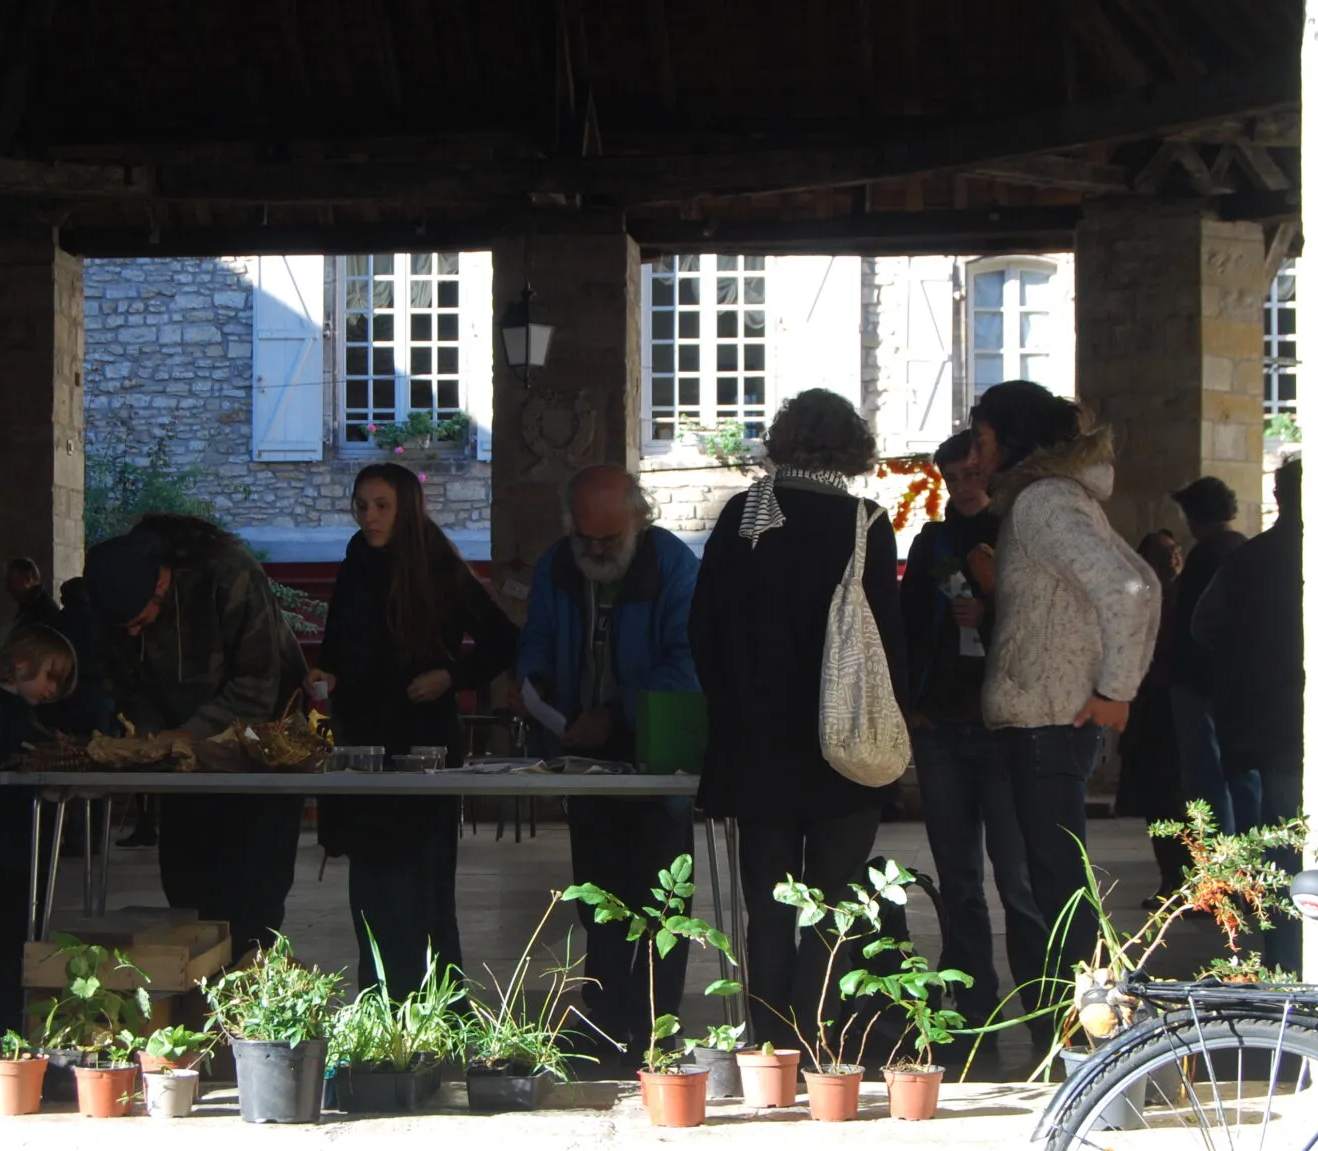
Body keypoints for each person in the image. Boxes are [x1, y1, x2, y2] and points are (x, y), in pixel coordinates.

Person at [692, 389, 911, 1052]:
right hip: (840, 746)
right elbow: (889, 647)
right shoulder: (864, 523)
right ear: (850, 448)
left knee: (767, 906)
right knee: (834, 903)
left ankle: (769, 1044)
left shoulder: (744, 517)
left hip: (758, 749)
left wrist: (735, 711)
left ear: (784, 441)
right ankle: (822, 1041)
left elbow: (703, 629)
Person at [967, 381, 1159, 1011]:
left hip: (1048, 722)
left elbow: (1131, 588)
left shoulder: (1045, 501)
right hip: (1045, 718)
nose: (975, 456)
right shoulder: (1051, 497)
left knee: (1057, 894)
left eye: (985, 439)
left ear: (1013, 437)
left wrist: (1115, 690)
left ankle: (1083, 1041)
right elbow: (1140, 582)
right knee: (1048, 889)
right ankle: (1074, 1038)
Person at [311, 464, 518, 997]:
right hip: (363, 740)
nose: (368, 516)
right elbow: (338, 644)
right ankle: (378, 998)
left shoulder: (437, 565)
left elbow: (500, 639)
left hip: (422, 739)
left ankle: (438, 1003)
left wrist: (452, 675)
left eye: (380, 505)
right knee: (371, 878)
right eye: (360, 505)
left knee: (424, 880)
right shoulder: (356, 561)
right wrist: (325, 675)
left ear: (404, 506)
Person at [517, 464, 699, 1064]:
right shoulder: (557, 565)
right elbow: (538, 642)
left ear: (638, 522)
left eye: (608, 540)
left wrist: (617, 714)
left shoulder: (673, 567)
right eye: (585, 539)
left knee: (661, 903)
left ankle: (657, 1032)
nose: (595, 552)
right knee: (597, 898)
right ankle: (606, 1026)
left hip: (656, 757)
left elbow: (687, 660)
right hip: (584, 758)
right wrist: (541, 690)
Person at [85, 514, 309, 956]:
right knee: (189, 896)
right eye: (124, 628)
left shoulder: (230, 574)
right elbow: (128, 684)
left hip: (260, 754)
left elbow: (258, 684)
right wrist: (147, 739)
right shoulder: (116, 596)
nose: (133, 632)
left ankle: (249, 1007)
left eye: (140, 621)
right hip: (186, 771)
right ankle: (197, 1012)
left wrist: (184, 734)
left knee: (252, 901)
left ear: (161, 587)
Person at [898, 428, 1048, 1038]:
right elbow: (907, 625)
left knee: (1017, 879)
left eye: (973, 476)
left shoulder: (1017, 535)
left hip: (1003, 725)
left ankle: (1043, 1008)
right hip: (943, 723)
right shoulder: (932, 540)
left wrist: (987, 613)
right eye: (953, 477)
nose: (964, 488)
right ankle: (976, 1004)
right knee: (958, 878)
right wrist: (914, 704)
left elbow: (1038, 622)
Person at [1193, 457, 1304, 971]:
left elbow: (1204, 628)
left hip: (1273, 721)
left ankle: (1286, 962)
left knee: (1283, 845)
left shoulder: (1249, 559)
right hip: (1291, 720)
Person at [0, 623, 78, 1040]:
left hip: (15, 840)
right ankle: (3, 1022)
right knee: (7, 931)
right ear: (21, 664)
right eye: (49, 676)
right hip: (0, 840)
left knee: (19, 928)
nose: (52, 690)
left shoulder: (15, 712)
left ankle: (13, 1018)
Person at [1167, 476, 1261, 835]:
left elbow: (1192, 623)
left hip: (1198, 681)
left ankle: (1220, 866)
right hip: (1238, 683)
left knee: (1206, 777)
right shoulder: (1245, 549)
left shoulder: (1205, 555)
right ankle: (1250, 859)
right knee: (1243, 774)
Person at [1115, 531, 1189, 905]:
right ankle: (1173, 880)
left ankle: (1186, 881)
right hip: (1152, 713)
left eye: (1174, 551)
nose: (1172, 560)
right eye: (1161, 555)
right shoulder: (1137, 600)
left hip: (1173, 713)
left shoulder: (1184, 595)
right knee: (1160, 803)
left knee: (1176, 802)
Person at [5, 557, 61, 631]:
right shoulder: (28, 607)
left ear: (28, 579)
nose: (8, 587)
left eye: (12, 580)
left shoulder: (44, 610)